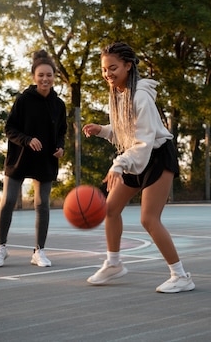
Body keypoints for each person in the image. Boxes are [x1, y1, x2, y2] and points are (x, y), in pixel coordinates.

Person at [82, 41, 194, 293]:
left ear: (128, 66)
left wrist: (118, 165)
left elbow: (143, 143)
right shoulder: (118, 95)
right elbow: (125, 134)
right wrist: (103, 130)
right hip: (135, 156)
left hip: (157, 157)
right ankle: (114, 264)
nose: (107, 74)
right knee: (110, 209)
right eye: (104, 69)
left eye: (113, 68)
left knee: (149, 219)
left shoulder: (140, 97)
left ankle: (181, 275)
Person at [0, 50, 67, 268]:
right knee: (9, 201)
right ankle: (1, 247)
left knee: (42, 205)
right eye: (41, 75)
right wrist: (27, 139)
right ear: (34, 76)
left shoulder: (59, 104)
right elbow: (9, 128)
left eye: (49, 75)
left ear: (54, 77)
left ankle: (39, 251)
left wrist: (60, 147)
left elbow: (61, 131)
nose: (45, 79)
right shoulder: (23, 100)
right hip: (20, 158)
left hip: (46, 160)